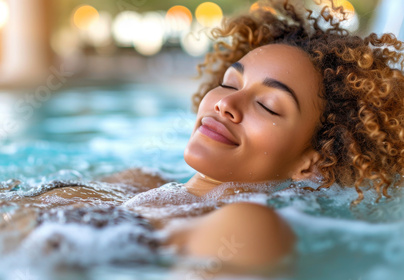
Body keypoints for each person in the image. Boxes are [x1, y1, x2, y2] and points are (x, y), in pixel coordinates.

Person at [104, 0, 404, 272]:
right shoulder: (139, 181)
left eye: (267, 106)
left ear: (311, 164)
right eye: (230, 83)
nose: (226, 104)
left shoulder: (246, 226)